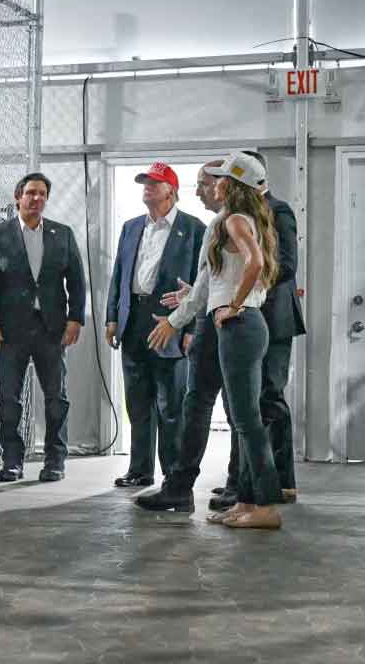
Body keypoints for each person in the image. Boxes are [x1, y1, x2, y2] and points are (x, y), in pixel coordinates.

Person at [142, 152, 284, 529]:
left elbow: (253, 263)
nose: (210, 183)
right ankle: (249, 503)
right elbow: (217, 281)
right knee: (243, 419)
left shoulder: (235, 220)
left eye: (218, 178)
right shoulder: (240, 220)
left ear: (231, 185)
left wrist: (233, 305)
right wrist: (214, 302)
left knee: (247, 421)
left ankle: (266, 507)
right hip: (242, 325)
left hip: (240, 327)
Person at [209, 150, 304, 509]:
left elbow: (287, 265)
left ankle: (281, 482)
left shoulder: (277, 210)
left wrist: (246, 294)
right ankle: (241, 482)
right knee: (243, 405)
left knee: (268, 400)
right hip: (248, 316)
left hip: (272, 318)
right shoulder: (234, 216)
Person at [0, 172, 86, 483]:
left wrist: (75, 318)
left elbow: (76, 281)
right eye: (30, 193)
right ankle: (12, 461)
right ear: (18, 197)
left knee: (56, 398)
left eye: (42, 194)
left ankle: (55, 461)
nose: (36, 199)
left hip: (51, 329)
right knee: (9, 399)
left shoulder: (62, 234)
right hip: (9, 331)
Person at [104, 163, 206, 488]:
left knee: (171, 404)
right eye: (145, 182)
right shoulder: (131, 227)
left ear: (171, 191)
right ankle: (140, 470)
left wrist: (189, 329)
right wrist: (112, 318)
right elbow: (119, 274)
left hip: (170, 322)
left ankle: (174, 474)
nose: (147, 187)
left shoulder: (193, 229)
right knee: (138, 401)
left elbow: (201, 283)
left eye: (155, 182)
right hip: (133, 319)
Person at [135, 160, 227, 513]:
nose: (199, 189)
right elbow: (211, 282)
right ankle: (181, 486)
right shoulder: (225, 222)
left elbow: (244, 273)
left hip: (225, 326)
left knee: (229, 413)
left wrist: (178, 321)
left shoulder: (222, 223)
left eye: (205, 183)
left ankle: (246, 491)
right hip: (213, 321)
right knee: (206, 408)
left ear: (226, 185)